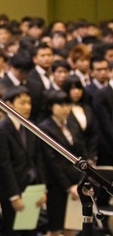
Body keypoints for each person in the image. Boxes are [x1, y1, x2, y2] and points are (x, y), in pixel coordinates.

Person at [0, 86, 47, 236]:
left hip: (32, 190)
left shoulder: (31, 126)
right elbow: (4, 166)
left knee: (31, 231)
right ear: (9, 104)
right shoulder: (1, 129)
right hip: (13, 191)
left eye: (29, 103)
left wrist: (42, 188)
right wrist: (14, 196)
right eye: (22, 103)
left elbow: (38, 160)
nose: (27, 107)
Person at [38, 90, 86, 236]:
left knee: (72, 227)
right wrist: (67, 187)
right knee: (56, 229)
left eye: (67, 105)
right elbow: (52, 162)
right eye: (60, 105)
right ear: (51, 106)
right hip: (57, 185)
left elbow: (80, 150)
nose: (65, 108)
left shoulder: (72, 123)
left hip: (76, 181)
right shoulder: (45, 127)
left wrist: (81, 181)